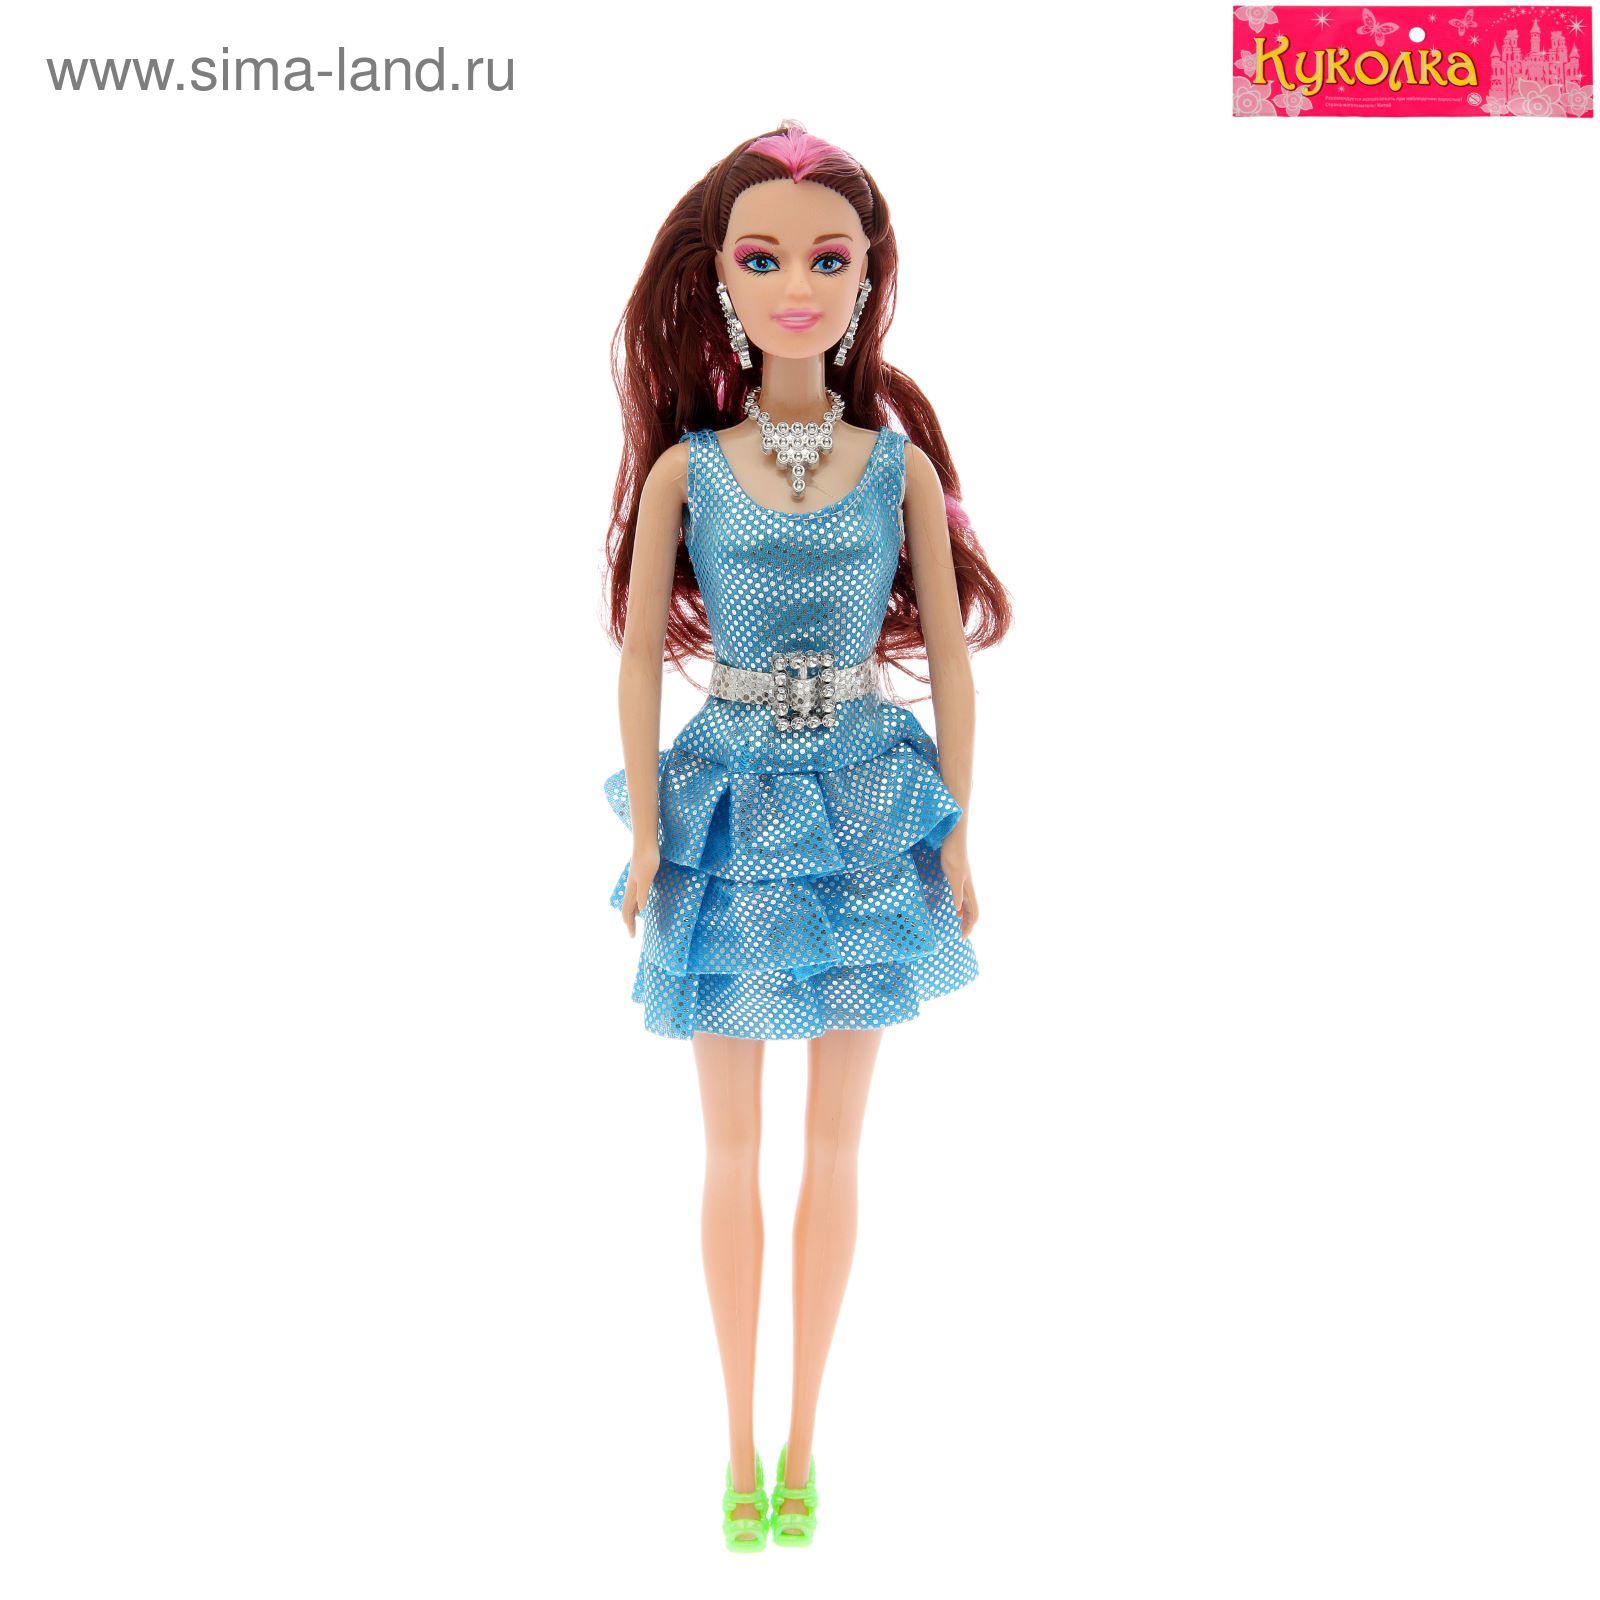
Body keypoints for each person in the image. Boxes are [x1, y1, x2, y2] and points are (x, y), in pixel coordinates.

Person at [599, 120, 1011, 1551]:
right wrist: (648, 830)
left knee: (836, 1149)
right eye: (763, 258)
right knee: (732, 1155)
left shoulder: (897, 469)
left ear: (866, 279)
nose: (796, 286)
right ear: (717, 278)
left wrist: (957, 832)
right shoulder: (686, 472)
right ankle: (732, 1442)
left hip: (862, 808)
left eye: (827, 259)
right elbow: (636, 660)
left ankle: (802, 1441)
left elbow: (950, 658)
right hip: (725, 805)